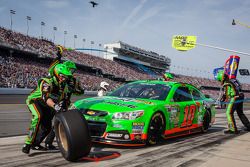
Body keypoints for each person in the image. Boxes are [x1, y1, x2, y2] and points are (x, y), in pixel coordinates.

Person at [22, 64, 72, 154]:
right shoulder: (46, 81)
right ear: (57, 74)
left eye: (66, 77)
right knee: (38, 116)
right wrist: (55, 106)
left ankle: (36, 144)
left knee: (47, 127)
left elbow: (64, 100)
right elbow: (45, 97)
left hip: (48, 105)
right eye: (63, 76)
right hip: (35, 101)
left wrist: (65, 105)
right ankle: (27, 143)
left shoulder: (64, 86)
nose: (64, 79)